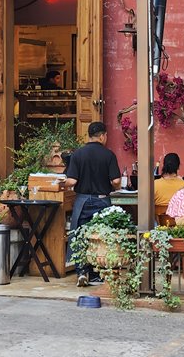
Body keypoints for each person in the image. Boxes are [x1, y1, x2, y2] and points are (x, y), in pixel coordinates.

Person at [65, 121, 121, 287]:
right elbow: (116, 181)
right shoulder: (109, 155)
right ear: (103, 136)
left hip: (82, 200)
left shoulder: (77, 155)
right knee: (102, 237)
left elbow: (72, 180)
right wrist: (115, 186)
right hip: (102, 200)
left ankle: (82, 272)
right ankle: (98, 273)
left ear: (89, 135)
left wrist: (61, 183)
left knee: (80, 235)